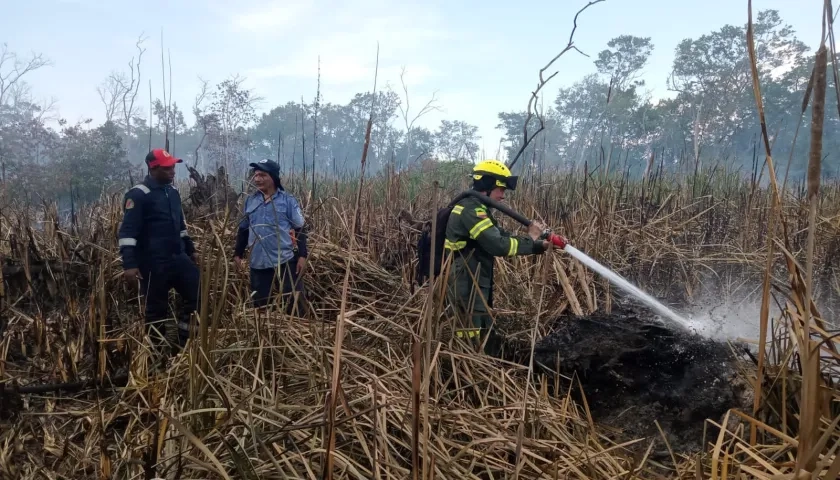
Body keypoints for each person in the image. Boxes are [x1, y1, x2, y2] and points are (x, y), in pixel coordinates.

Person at [443, 159, 551, 356]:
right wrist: (530, 238)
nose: (502, 196)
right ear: (486, 186)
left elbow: (501, 236)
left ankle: (482, 360)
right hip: (465, 283)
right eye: (500, 189)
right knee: (469, 331)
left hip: (473, 280)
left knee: (480, 326)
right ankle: (466, 366)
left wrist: (538, 245)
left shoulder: (478, 208)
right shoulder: (471, 210)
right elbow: (498, 245)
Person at [118, 148, 200, 355]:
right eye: (167, 168)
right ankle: (156, 355)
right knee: (156, 310)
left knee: (197, 293)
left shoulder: (172, 192)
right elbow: (128, 232)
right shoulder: (138, 195)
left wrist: (190, 250)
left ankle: (184, 346)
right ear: (153, 169)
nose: (173, 171)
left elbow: (180, 226)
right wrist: (129, 264)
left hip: (177, 257)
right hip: (153, 263)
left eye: (173, 166)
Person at [234, 159, 309, 315]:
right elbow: (243, 229)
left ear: (273, 177)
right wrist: (238, 254)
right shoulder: (251, 201)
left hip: (284, 260)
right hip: (258, 262)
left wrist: (302, 255)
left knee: (294, 303)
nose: (257, 179)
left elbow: (299, 227)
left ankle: (298, 332)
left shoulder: (287, 201)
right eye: (256, 175)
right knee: (260, 307)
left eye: (262, 175)